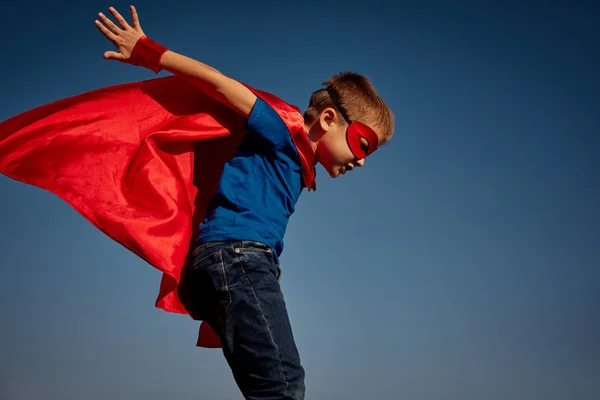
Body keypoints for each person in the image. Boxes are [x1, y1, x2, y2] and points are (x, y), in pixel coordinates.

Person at [1, 5, 394, 400]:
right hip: (239, 259)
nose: (361, 160)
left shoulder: (294, 158)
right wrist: (148, 50)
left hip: (229, 264)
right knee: (282, 385)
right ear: (328, 119)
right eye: (362, 144)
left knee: (269, 387)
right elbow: (220, 84)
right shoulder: (280, 126)